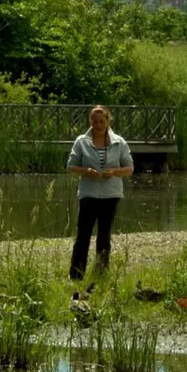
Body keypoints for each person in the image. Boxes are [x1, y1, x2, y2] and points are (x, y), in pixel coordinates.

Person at [66, 105, 134, 281]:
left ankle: (101, 275)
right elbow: (71, 167)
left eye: (101, 121)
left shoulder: (119, 142)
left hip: (110, 195)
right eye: (94, 121)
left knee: (104, 237)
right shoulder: (81, 141)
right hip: (88, 194)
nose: (98, 124)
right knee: (83, 236)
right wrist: (87, 170)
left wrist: (114, 172)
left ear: (107, 121)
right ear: (90, 121)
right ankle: (76, 275)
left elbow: (129, 168)